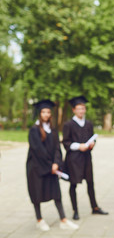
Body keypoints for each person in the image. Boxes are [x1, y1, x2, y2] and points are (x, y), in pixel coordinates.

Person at [26, 99, 79, 231]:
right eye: (43, 112)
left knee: (56, 193)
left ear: (50, 114)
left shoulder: (53, 130)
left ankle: (63, 219)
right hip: (37, 168)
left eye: (48, 112)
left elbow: (57, 148)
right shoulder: (34, 130)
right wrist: (51, 165)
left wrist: (56, 163)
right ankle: (39, 219)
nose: (46, 114)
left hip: (51, 167)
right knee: (37, 194)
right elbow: (38, 151)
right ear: (40, 113)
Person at [62, 96, 108, 220]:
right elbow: (65, 142)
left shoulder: (88, 124)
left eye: (83, 108)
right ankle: (75, 210)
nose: (81, 111)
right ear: (74, 110)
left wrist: (92, 144)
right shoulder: (68, 124)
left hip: (87, 157)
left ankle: (95, 207)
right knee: (73, 184)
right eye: (78, 109)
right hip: (74, 158)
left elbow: (93, 138)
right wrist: (78, 146)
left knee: (90, 182)